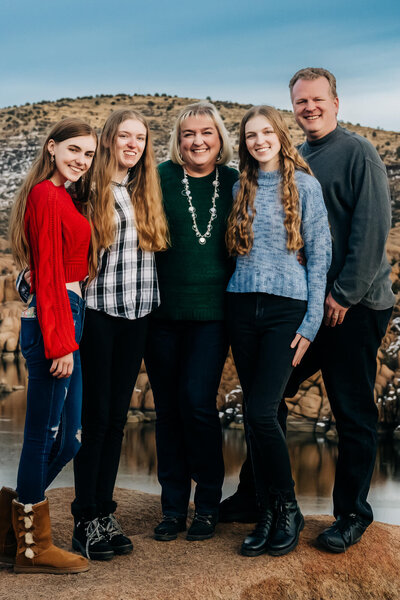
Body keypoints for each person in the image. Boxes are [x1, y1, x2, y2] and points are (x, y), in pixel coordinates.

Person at [220, 68, 395, 554]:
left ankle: (353, 515)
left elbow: (372, 228)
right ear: (290, 109)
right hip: (302, 303)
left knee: (351, 408)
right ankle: (257, 496)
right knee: (267, 399)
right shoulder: (298, 159)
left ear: (336, 101)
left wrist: (342, 294)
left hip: (353, 306)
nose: (310, 107)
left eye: (318, 99)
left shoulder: (358, 152)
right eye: (301, 101)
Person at [225, 105, 331, 556]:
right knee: (258, 411)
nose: (259, 140)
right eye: (251, 135)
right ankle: (266, 510)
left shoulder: (305, 186)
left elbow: (320, 255)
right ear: (244, 143)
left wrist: (310, 323)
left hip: (287, 310)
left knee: (263, 411)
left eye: (266, 132)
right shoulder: (238, 187)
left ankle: (288, 508)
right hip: (242, 307)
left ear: (280, 136)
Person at [69, 109, 169, 560]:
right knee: (95, 420)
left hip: (137, 315)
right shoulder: (87, 192)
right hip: (97, 316)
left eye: (140, 139)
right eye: (124, 136)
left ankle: (105, 512)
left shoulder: (143, 190)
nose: (132, 144)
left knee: (116, 420)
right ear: (108, 139)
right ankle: (84, 519)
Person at [1, 118, 97, 574]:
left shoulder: (63, 196)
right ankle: (33, 546)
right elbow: (50, 271)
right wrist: (60, 343)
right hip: (55, 319)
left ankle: (14, 517)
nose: (80, 160)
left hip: (67, 314)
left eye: (89, 154)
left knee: (72, 438)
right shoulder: (45, 194)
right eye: (73, 150)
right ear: (52, 147)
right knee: (42, 435)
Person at [145, 102, 238, 542]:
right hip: (160, 315)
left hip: (213, 316)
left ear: (220, 138)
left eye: (206, 133)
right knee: (167, 411)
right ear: (177, 140)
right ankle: (171, 507)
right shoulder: (157, 177)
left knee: (197, 404)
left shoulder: (238, 181)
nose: (197, 141)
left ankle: (207, 506)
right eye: (188, 134)